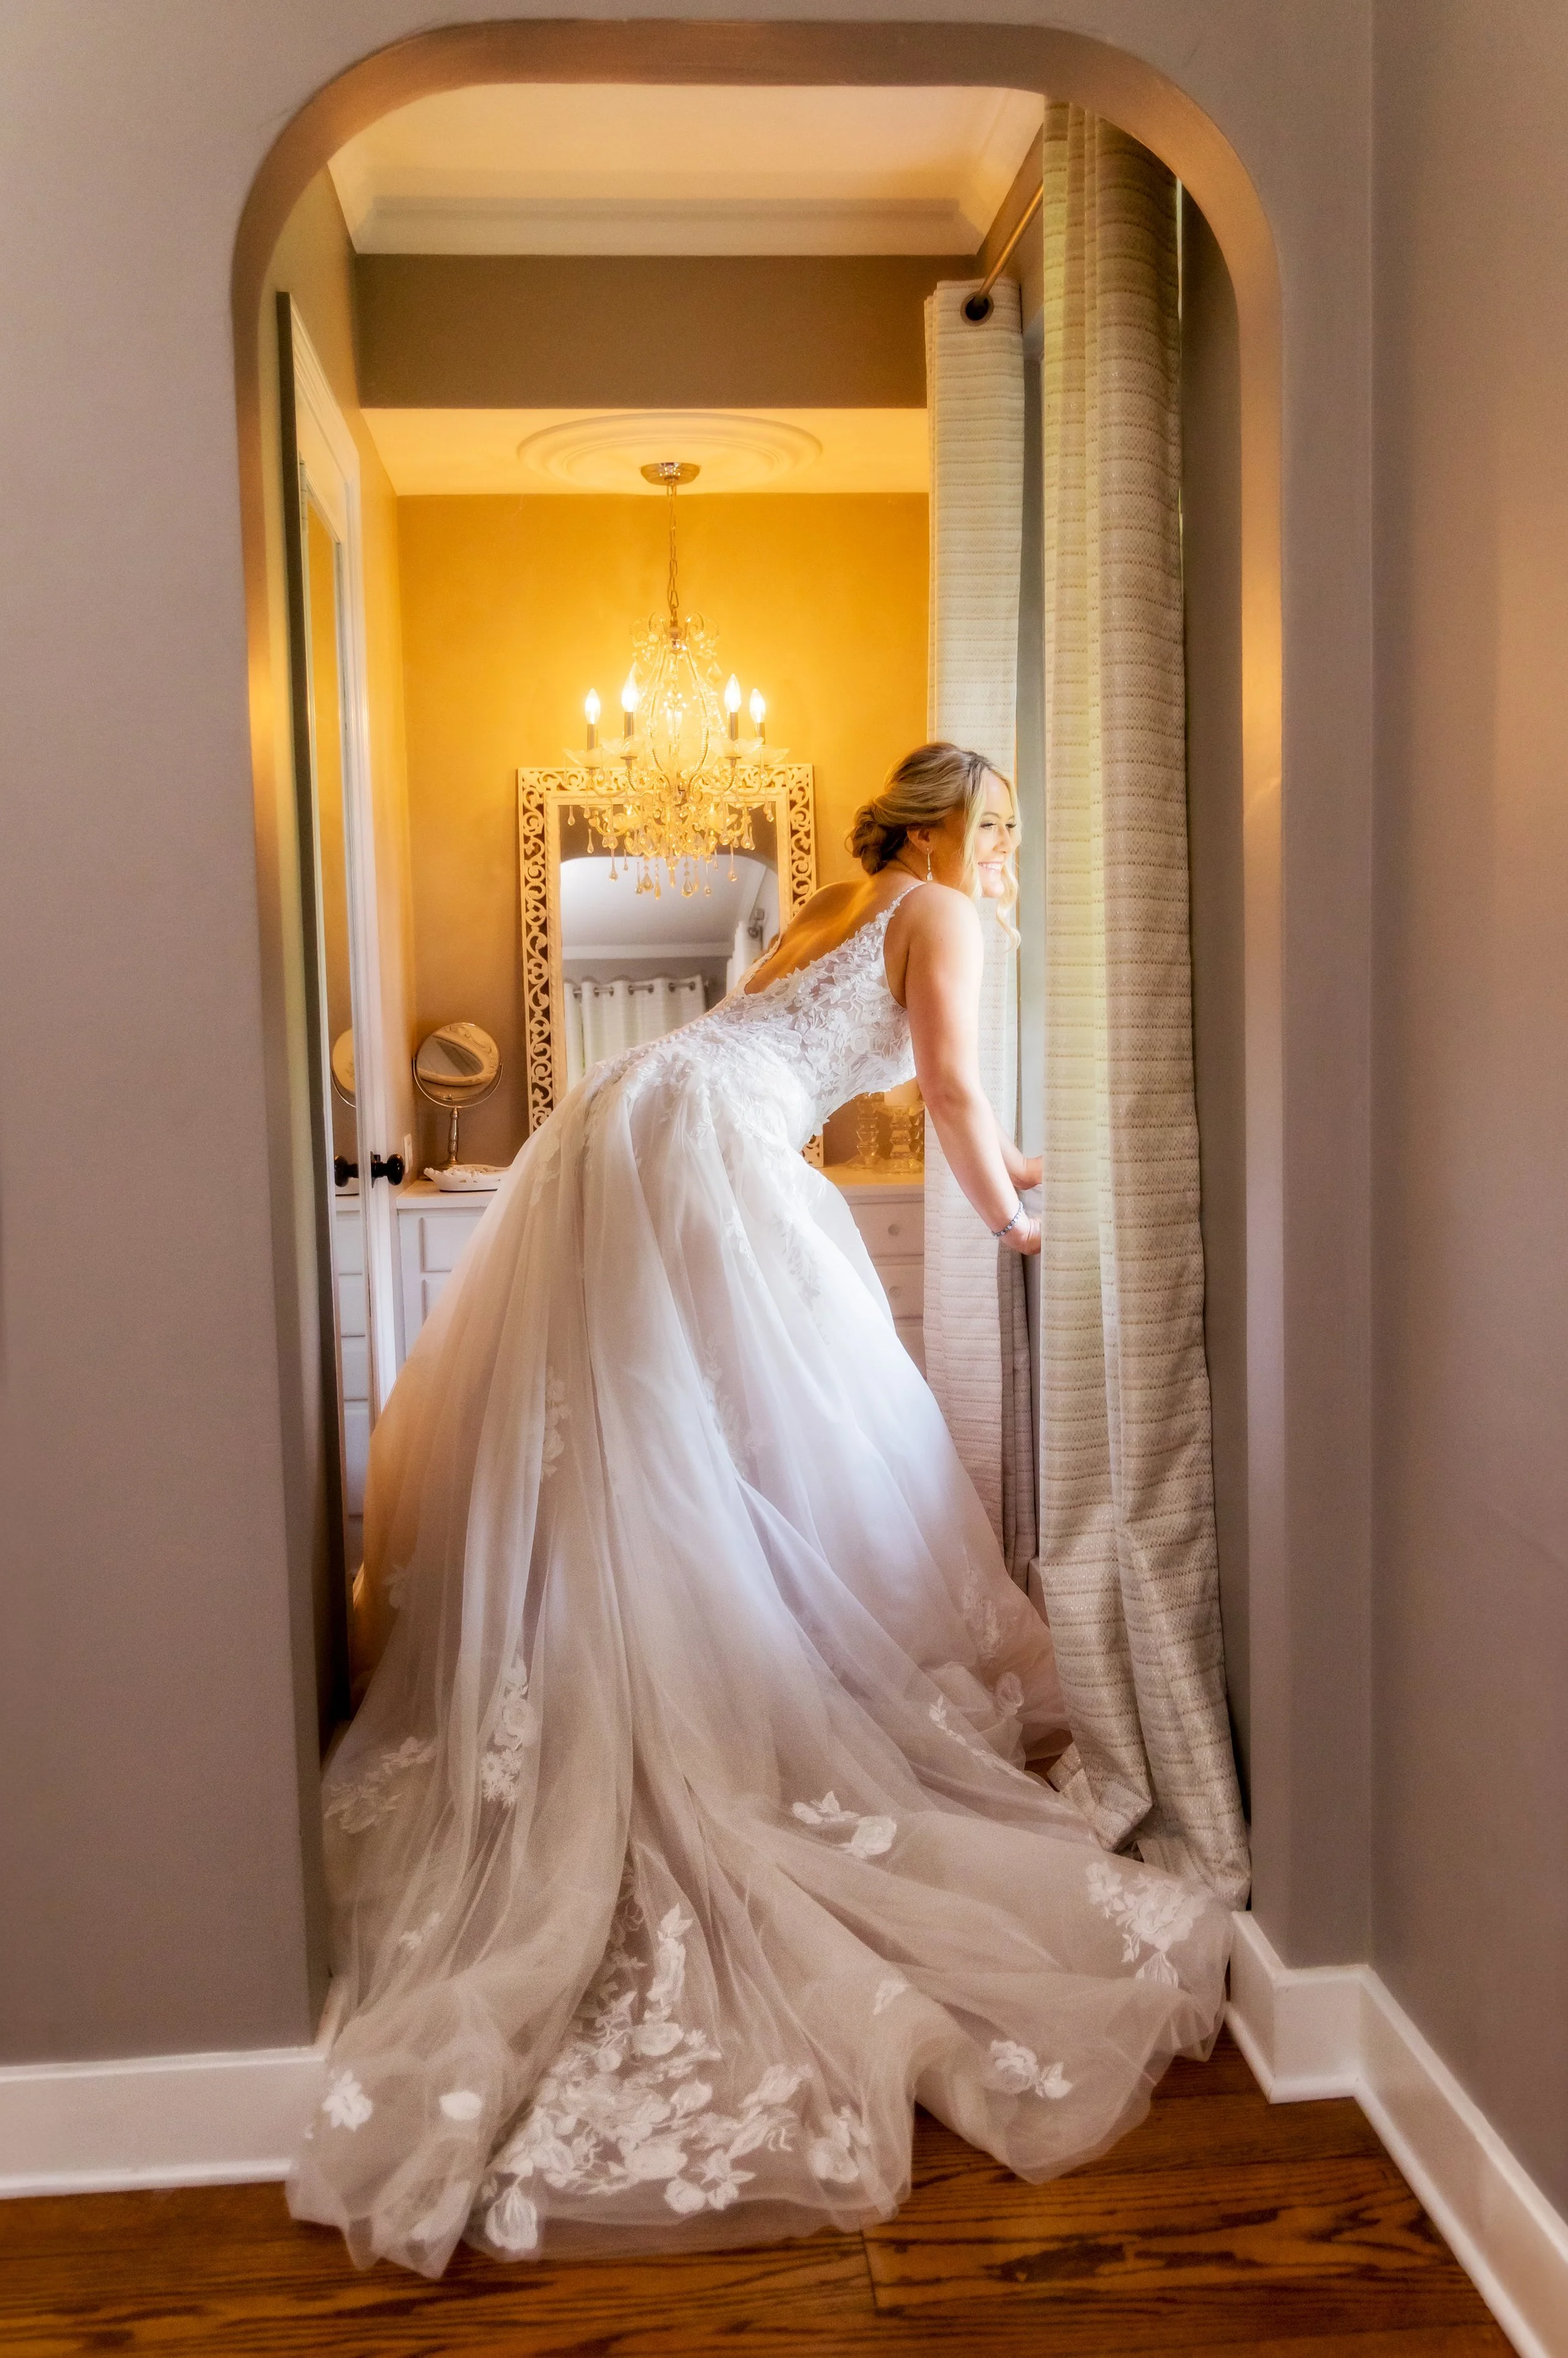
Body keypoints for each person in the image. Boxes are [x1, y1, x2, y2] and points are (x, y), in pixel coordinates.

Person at [289, 742, 1230, 2277]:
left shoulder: (831, 903)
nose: (1001, 854)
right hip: (711, 1141)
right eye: (990, 826)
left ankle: (665, 1674)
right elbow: (944, 1082)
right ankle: (732, 1710)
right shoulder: (941, 914)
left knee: (657, 1448)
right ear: (937, 826)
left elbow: (803, 1048)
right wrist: (1012, 1218)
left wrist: (1014, 1163)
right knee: (763, 1436)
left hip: (634, 1112)